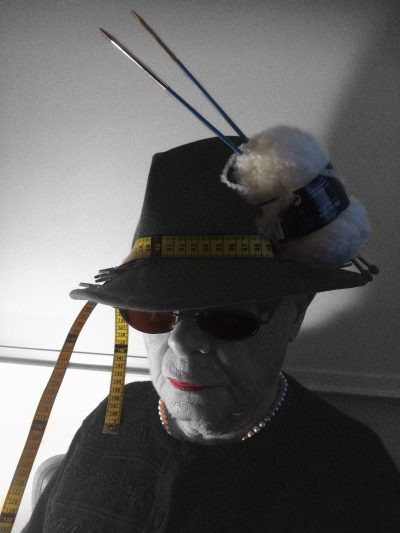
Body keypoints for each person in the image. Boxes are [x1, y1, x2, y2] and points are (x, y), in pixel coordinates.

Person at [22, 136, 400, 532]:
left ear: (295, 313)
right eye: (154, 312)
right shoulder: (112, 416)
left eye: (225, 316)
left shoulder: (353, 472)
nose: (181, 342)